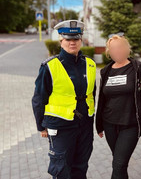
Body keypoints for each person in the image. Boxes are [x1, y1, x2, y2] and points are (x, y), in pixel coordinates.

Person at [32, 20, 96, 179]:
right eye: (68, 39)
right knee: (61, 169)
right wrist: (41, 126)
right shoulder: (50, 66)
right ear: (61, 41)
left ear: (81, 40)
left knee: (81, 166)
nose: (72, 42)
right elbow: (39, 98)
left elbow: (92, 94)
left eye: (76, 39)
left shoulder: (90, 64)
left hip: (84, 125)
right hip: (60, 126)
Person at [96, 33, 141, 179]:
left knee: (119, 164)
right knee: (119, 163)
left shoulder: (137, 68)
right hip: (109, 124)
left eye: (120, 47)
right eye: (113, 49)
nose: (117, 51)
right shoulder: (106, 71)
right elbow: (102, 99)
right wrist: (99, 124)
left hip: (130, 124)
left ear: (127, 49)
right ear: (109, 52)